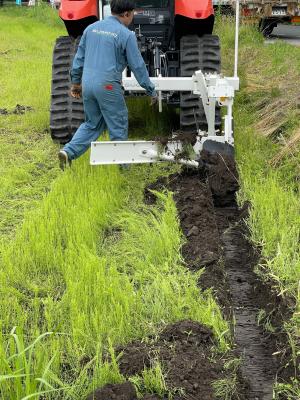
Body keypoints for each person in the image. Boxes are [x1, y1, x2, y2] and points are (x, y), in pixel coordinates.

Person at [58, 0, 157, 170]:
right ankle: (123, 168)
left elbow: (79, 60)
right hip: (108, 86)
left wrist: (75, 83)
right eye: (132, 14)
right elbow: (138, 66)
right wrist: (150, 89)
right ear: (126, 14)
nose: (132, 18)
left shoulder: (90, 29)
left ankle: (68, 151)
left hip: (88, 84)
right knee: (118, 123)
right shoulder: (126, 35)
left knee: (92, 124)